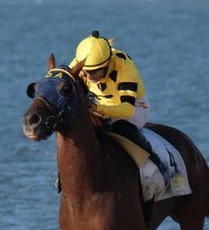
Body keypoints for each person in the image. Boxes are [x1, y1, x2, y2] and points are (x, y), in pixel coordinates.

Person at [70, 30, 171, 183]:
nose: (89, 77)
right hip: (98, 106)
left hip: (134, 108)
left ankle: (156, 163)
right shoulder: (81, 64)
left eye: (95, 72)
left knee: (119, 126)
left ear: (107, 64)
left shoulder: (123, 65)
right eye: (86, 72)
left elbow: (127, 110)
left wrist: (97, 108)